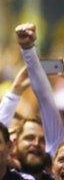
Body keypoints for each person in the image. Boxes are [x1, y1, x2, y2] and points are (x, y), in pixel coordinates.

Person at [15, 23, 64, 159]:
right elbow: (44, 96)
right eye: (61, 114)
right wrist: (28, 49)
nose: (62, 118)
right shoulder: (56, 141)